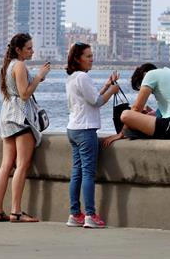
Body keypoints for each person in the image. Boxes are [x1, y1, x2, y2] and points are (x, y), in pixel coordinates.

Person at [0, 33, 50, 223]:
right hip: (21, 117)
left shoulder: (8, 66)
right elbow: (25, 93)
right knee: (22, 165)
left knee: (5, 165)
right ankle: (16, 211)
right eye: (29, 48)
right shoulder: (20, 65)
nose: (32, 51)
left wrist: (39, 77)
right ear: (19, 50)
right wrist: (40, 76)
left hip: (7, 115)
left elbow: (20, 87)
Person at [64, 42, 119, 229]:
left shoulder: (72, 78)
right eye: (88, 56)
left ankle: (74, 214)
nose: (91, 59)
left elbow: (90, 99)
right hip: (86, 130)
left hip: (73, 128)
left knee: (76, 172)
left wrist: (105, 86)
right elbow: (96, 102)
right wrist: (113, 91)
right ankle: (90, 214)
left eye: (91, 55)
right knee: (88, 173)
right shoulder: (83, 78)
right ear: (78, 58)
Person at [104, 63, 170, 145]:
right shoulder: (169, 74)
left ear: (143, 77)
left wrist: (121, 133)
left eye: (141, 87)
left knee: (126, 115)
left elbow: (136, 108)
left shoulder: (150, 75)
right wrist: (151, 113)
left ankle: (132, 133)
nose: (151, 93)